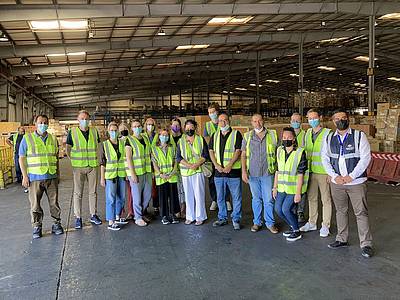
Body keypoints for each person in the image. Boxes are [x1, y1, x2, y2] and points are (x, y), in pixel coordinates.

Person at [321, 110, 373, 258]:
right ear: (333, 121)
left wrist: (351, 176)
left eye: (344, 118)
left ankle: (366, 244)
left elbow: (365, 158)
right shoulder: (329, 138)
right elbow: (325, 159)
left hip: (356, 182)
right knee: (341, 211)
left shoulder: (359, 136)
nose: (341, 120)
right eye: (337, 118)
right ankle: (341, 239)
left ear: (348, 119)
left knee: (361, 213)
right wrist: (334, 176)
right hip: (337, 182)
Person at [19, 115, 64, 239]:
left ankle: (56, 224)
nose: (43, 124)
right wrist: (24, 176)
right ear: (35, 124)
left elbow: (56, 158)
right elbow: (21, 158)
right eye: (40, 122)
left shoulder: (53, 139)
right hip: (34, 178)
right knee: (35, 204)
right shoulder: (27, 139)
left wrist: (58, 174)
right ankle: (37, 226)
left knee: (54, 203)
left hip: (51, 176)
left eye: (45, 122)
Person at [241, 114, 279, 234]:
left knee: (268, 199)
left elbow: (279, 153)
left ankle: (270, 223)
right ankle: (257, 222)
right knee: (256, 199)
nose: (257, 123)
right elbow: (243, 154)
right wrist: (243, 171)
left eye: (259, 120)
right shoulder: (247, 136)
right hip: (253, 173)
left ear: (263, 121)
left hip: (268, 172)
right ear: (251, 123)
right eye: (255, 121)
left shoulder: (272, 134)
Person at [66, 110, 102, 229]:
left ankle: (93, 214)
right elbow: (68, 148)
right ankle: (78, 217)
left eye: (86, 119)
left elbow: (99, 146)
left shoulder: (94, 131)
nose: (84, 121)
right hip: (78, 167)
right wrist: (73, 160)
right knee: (78, 193)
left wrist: (99, 159)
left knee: (93, 192)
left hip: (92, 166)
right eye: (82, 119)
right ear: (78, 119)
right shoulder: (72, 132)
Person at [300, 109, 332, 238]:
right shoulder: (307, 133)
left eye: (314, 118)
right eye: (309, 118)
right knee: (311, 198)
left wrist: (331, 173)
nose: (312, 120)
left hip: (324, 172)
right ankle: (312, 222)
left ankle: (325, 225)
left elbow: (332, 154)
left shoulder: (328, 133)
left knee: (326, 199)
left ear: (320, 118)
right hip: (310, 171)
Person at [273, 127, 308, 242]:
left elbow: (300, 174)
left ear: (294, 139)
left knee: (286, 209)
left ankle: (296, 231)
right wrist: (275, 187)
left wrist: (298, 193)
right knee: (278, 209)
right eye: (284, 137)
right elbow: (277, 171)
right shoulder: (279, 151)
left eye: (289, 137)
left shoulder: (300, 152)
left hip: (294, 189)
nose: (286, 139)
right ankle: (293, 227)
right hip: (282, 188)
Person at [209, 113, 243, 230]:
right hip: (218, 172)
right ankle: (222, 218)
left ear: (229, 121)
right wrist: (216, 165)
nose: (222, 123)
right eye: (220, 121)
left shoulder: (236, 134)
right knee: (220, 197)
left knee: (236, 197)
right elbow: (211, 151)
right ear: (217, 122)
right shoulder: (215, 135)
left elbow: (238, 151)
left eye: (225, 120)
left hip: (233, 172)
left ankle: (236, 218)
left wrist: (229, 165)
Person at [176, 119, 208, 225]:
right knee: (188, 195)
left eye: (191, 127)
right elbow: (178, 157)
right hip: (186, 172)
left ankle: (200, 216)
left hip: (198, 171)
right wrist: (190, 165)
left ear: (195, 128)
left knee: (199, 194)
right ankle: (190, 216)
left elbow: (205, 155)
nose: (189, 129)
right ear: (184, 128)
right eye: (187, 127)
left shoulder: (200, 139)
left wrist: (196, 164)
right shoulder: (181, 141)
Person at [203, 103, 232, 212]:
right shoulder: (207, 125)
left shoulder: (225, 123)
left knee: (226, 178)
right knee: (212, 180)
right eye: (210, 113)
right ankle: (215, 200)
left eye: (213, 112)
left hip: (225, 156)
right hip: (213, 156)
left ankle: (227, 200)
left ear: (218, 112)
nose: (212, 114)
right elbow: (206, 140)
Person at [100, 122, 128, 231]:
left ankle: (117, 216)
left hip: (121, 174)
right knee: (111, 199)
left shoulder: (122, 142)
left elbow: (125, 159)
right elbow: (102, 162)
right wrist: (102, 178)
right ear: (108, 131)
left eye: (115, 130)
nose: (113, 132)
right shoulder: (105, 144)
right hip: (110, 176)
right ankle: (111, 221)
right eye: (111, 130)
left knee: (122, 197)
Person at [125, 119, 152, 227]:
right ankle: (138, 217)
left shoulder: (145, 138)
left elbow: (148, 154)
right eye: (135, 126)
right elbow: (129, 158)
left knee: (147, 195)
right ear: (131, 128)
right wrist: (132, 174)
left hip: (147, 171)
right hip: (136, 173)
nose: (137, 128)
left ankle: (141, 212)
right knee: (136, 196)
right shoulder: (129, 140)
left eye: (139, 126)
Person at [152, 128, 180, 225]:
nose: (165, 137)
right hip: (161, 177)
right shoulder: (155, 149)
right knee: (162, 197)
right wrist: (160, 174)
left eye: (166, 135)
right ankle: (164, 216)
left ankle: (173, 215)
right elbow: (154, 162)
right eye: (162, 135)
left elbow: (176, 160)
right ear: (159, 136)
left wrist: (173, 172)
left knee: (173, 196)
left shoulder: (172, 147)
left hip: (172, 176)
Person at [290, 112, 307, 223]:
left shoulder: (305, 134)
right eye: (293, 121)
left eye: (298, 121)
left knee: (302, 190)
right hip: (290, 167)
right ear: (290, 121)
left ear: (301, 122)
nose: (295, 123)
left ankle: (300, 211)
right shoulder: (286, 134)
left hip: (302, 166)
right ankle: (293, 209)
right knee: (291, 189)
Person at [143, 117, 159, 214]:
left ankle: (156, 206)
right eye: (148, 124)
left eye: (152, 124)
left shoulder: (157, 136)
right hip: (145, 163)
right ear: (145, 125)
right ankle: (145, 207)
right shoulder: (142, 135)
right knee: (147, 187)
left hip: (156, 162)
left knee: (156, 186)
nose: (150, 126)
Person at [170, 117, 186, 219]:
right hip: (171, 168)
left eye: (177, 125)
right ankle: (176, 210)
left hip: (183, 167)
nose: (175, 127)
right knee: (174, 190)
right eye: (174, 125)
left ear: (180, 126)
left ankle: (183, 209)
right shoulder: (168, 137)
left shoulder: (184, 137)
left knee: (183, 190)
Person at [119, 122, 134, 220]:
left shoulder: (132, 140)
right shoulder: (118, 141)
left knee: (131, 193)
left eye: (125, 128)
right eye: (121, 128)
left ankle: (131, 211)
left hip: (129, 171)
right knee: (120, 193)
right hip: (120, 171)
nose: (123, 130)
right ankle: (119, 212)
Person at [7, 126, 27, 191]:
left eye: (23, 131)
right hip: (17, 153)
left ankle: (24, 177)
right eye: (21, 131)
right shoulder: (15, 136)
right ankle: (19, 179)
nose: (22, 132)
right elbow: (7, 140)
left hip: (25, 154)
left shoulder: (26, 136)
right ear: (18, 131)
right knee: (17, 166)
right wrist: (12, 146)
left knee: (24, 166)